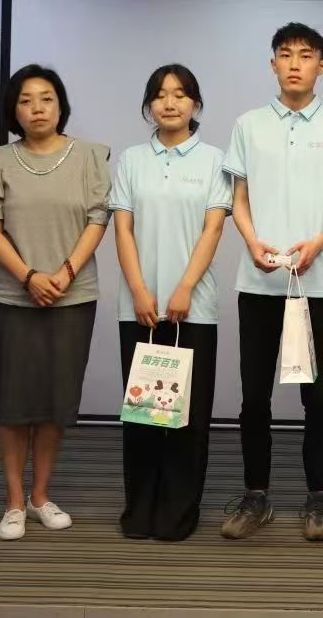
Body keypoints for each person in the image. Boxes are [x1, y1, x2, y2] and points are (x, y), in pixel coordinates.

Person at [220, 22, 323, 542]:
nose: (295, 63)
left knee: (317, 398)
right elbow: (238, 197)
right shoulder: (248, 124)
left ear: (322, 65)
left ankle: (318, 496)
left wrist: (318, 243)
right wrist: (251, 241)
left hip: (315, 284)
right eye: (285, 54)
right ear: (273, 64)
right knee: (254, 398)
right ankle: (256, 495)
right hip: (258, 281)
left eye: (306, 55)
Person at [0, 64, 111, 541]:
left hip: (72, 298)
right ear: (14, 110)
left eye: (46, 98)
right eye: (26, 100)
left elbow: (97, 219)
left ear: (60, 105)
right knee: (13, 404)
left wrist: (64, 274)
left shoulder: (91, 156)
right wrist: (29, 277)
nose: (37, 108)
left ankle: (40, 496)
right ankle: (13, 502)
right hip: (9, 298)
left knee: (56, 404)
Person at [110, 64, 232, 540]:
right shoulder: (132, 160)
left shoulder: (214, 160)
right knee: (143, 412)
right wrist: (140, 290)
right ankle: (139, 508)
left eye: (180, 94)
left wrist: (184, 288)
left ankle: (179, 512)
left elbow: (213, 228)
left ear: (195, 104)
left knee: (187, 417)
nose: (170, 102)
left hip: (192, 307)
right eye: (160, 95)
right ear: (149, 105)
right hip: (138, 306)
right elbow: (123, 229)